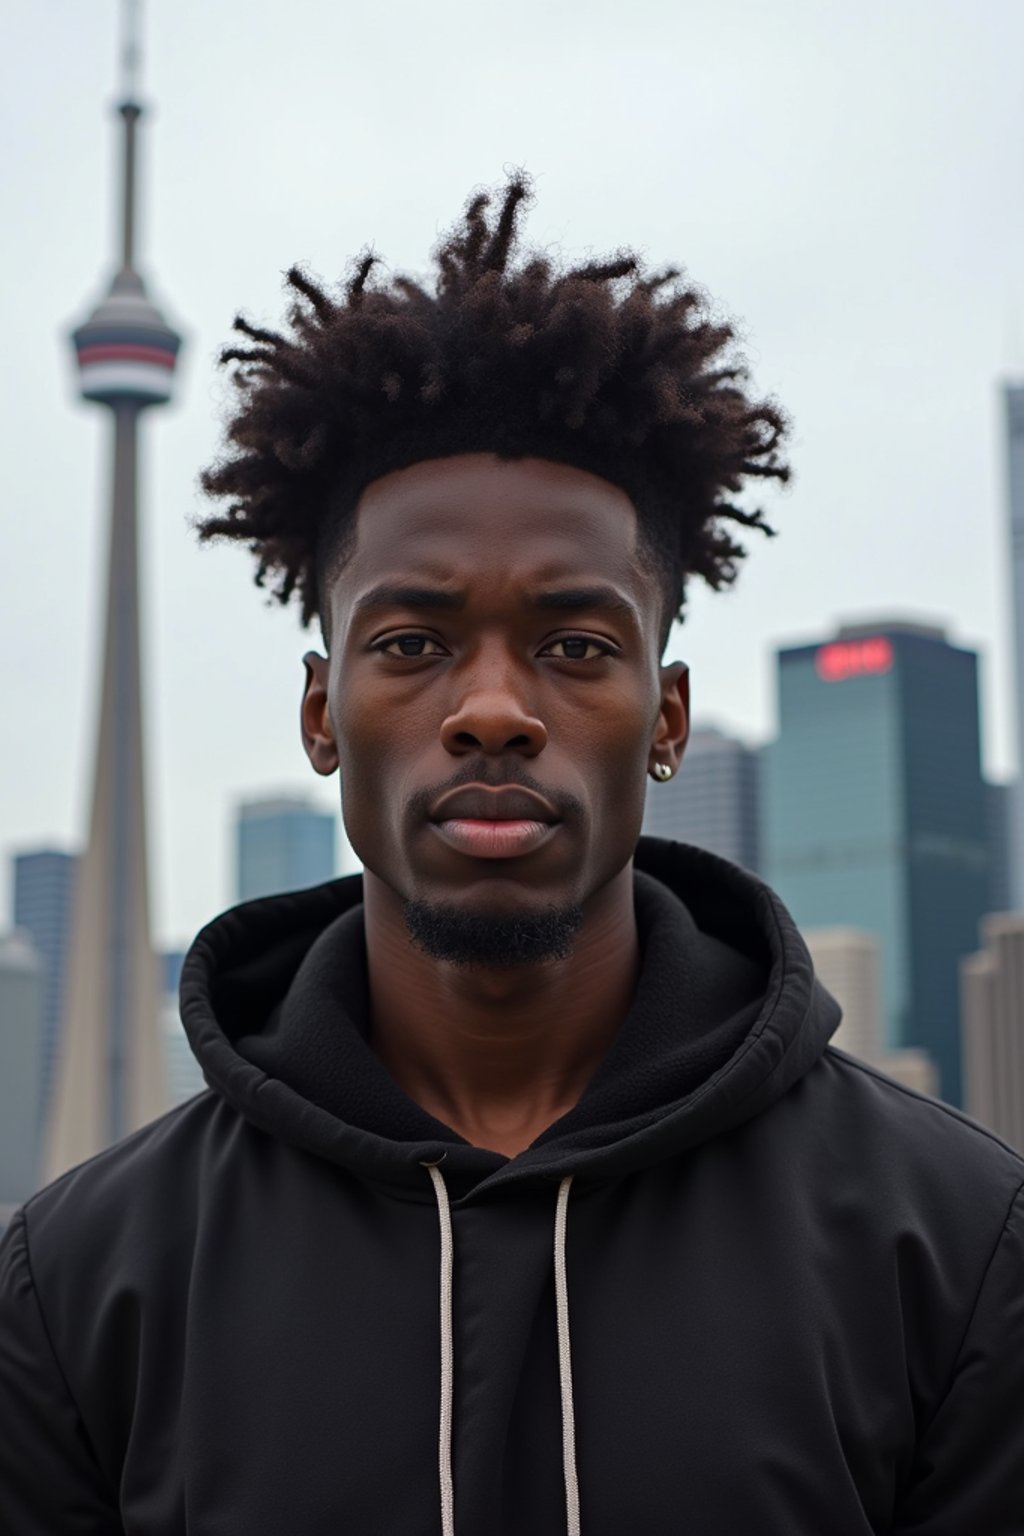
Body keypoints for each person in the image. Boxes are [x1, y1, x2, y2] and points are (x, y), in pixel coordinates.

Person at [1, 176, 1022, 1536]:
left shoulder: (953, 1245)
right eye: (413, 643)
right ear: (323, 713)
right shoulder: (80, 1289)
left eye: (577, 647)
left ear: (666, 721)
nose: (492, 707)